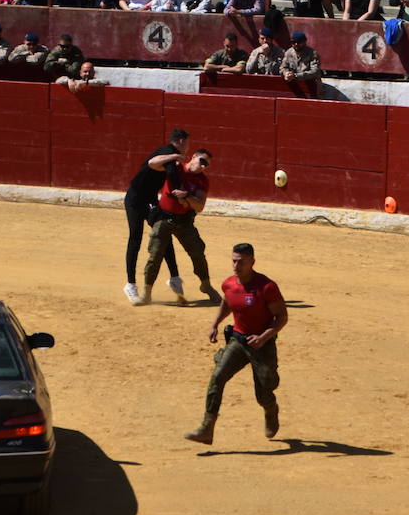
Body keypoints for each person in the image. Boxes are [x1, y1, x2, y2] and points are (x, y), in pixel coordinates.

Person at [184, 242, 289, 445]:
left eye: (241, 262)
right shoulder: (229, 284)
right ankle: (207, 428)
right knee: (217, 377)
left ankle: (271, 410)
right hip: (238, 341)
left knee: (264, 391)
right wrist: (215, 324)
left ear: (252, 262)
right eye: (233, 261)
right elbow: (228, 301)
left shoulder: (266, 287)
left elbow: (282, 317)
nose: (236, 266)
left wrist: (263, 337)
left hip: (262, 345)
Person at [143, 147, 222, 306]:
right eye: (202, 161)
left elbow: (199, 206)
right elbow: (151, 163)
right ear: (193, 157)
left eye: (206, 165)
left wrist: (186, 196)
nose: (203, 167)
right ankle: (147, 292)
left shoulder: (203, 180)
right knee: (155, 254)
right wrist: (173, 156)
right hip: (164, 218)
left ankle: (205, 285)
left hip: (184, 222)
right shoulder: (175, 168)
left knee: (198, 251)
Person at [123, 128, 190, 305]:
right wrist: (175, 157)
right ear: (182, 141)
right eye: (187, 144)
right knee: (135, 238)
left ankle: (174, 278)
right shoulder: (168, 151)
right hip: (135, 199)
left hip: (151, 200)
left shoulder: (174, 159)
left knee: (163, 233)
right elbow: (153, 162)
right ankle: (130, 284)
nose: (187, 148)